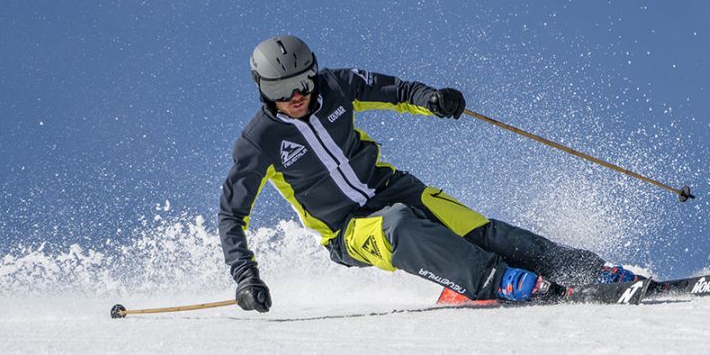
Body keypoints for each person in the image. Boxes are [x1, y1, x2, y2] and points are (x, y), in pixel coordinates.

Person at [219, 35, 636, 312]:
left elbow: (397, 91)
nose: (297, 97)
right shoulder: (260, 142)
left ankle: (583, 269)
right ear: (262, 89)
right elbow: (231, 216)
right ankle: (495, 280)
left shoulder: (336, 87)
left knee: (480, 230)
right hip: (348, 230)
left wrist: (432, 99)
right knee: (399, 225)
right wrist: (245, 277)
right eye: (280, 91)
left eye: (303, 83)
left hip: (393, 187)